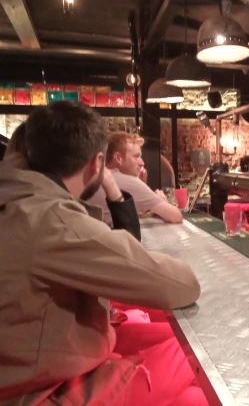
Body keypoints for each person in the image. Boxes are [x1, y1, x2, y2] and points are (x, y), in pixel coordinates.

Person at [0, 101, 205, 404]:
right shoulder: (48, 217)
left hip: (31, 371)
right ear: (97, 163)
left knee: (190, 387)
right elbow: (182, 284)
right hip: (36, 393)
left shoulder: (16, 196)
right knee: (202, 355)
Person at [88, 131, 183, 225]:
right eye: (136, 156)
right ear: (118, 158)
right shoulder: (129, 182)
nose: (142, 163)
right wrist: (162, 200)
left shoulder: (95, 177)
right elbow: (176, 216)